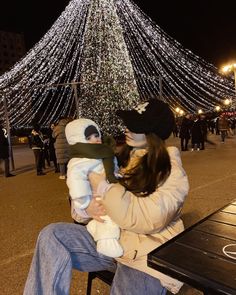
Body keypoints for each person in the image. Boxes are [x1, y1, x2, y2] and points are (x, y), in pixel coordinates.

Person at [24, 99, 189, 295]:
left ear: (152, 133)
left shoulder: (170, 169)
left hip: (145, 253)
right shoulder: (119, 158)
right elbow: (81, 212)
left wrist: (104, 187)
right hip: (109, 239)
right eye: (128, 122)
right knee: (52, 235)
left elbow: (150, 219)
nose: (126, 128)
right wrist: (86, 208)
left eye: (135, 126)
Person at [65, 118, 123, 258]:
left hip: (110, 194)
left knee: (113, 216)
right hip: (95, 198)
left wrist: (117, 175)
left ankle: (97, 230)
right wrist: (85, 204)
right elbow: (76, 181)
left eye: (97, 135)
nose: (95, 140)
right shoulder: (78, 161)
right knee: (107, 219)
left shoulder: (106, 153)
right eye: (89, 137)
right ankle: (106, 243)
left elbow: (113, 171)